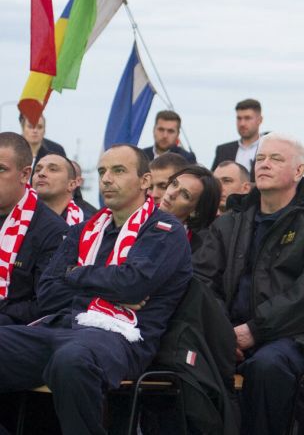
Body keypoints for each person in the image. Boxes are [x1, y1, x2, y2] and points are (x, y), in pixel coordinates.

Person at [0, 143, 191, 434]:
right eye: (102, 171)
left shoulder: (164, 230)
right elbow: (48, 293)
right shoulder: (83, 230)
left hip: (119, 338)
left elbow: (132, 284)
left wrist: (75, 274)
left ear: (144, 181)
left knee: (72, 360)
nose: (106, 179)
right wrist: (102, 285)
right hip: (59, 327)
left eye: (118, 170)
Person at [193, 133, 304, 435]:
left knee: (267, 366)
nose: (264, 165)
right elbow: (201, 281)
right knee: (183, 357)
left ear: (299, 171)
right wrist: (222, 332)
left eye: (276, 159)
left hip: (301, 337)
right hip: (228, 334)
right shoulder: (231, 220)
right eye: (261, 159)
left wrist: (254, 330)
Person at [0, 133, 68, 326]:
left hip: (13, 330)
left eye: (1, 169)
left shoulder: (51, 230)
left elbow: (45, 304)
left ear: (25, 174)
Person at [159, 164, 221, 251]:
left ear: (196, 211)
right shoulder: (139, 215)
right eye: (174, 183)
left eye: (185, 195)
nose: (172, 194)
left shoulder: (197, 250)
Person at [211, 98, 264, 174]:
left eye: (247, 118)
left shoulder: (268, 148)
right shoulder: (223, 151)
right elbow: (213, 181)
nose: (242, 123)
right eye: (239, 118)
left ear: (260, 120)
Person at [31, 153, 84, 225]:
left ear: (71, 184)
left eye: (52, 169)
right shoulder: (16, 216)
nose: (41, 173)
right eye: (37, 170)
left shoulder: (89, 226)